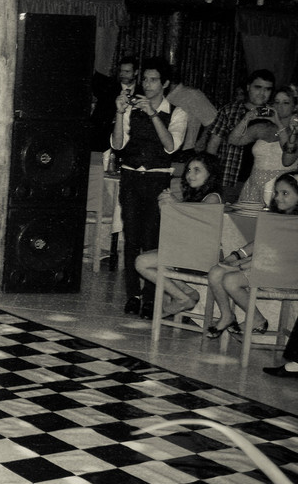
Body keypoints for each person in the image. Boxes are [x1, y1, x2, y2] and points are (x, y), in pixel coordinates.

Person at [112, 56, 188, 316]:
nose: (147, 84)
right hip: (131, 176)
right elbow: (118, 145)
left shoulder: (177, 113)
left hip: (158, 179)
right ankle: (132, 294)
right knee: (131, 238)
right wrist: (119, 112)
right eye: (145, 79)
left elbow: (171, 146)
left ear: (165, 83)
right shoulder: (131, 107)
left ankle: (150, 297)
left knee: (152, 240)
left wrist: (153, 114)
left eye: (153, 80)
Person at [205, 172, 298, 341]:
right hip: (265, 267)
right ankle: (227, 315)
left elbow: (277, 257)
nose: (278, 198)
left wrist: (240, 266)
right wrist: (236, 256)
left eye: (285, 193)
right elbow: (261, 243)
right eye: (276, 193)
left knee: (231, 280)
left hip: (286, 275)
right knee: (216, 272)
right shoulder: (277, 217)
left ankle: (257, 318)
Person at [131, 152, 223, 319]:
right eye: (188, 170)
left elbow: (197, 223)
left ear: (211, 174)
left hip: (201, 256)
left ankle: (183, 298)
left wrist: (175, 205)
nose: (190, 175)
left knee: (142, 262)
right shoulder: (194, 195)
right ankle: (188, 292)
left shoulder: (212, 198)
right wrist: (166, 208)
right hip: (187, 252)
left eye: (197, 170)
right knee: (146, 258)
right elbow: (180, 228)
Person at [205, 69, 275, 201]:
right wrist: (210, 177)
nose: (262, 93)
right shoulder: (230, 110)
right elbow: (213, 145)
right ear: (248, 87)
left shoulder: (274, 114)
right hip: (229, 179)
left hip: (260, 182)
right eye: (258, 87)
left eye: (267, 89)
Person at [229, 85, 298, 203]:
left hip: (282, 188)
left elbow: (288, 160)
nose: (279, 106)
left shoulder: (295, 131)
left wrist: (279, 124)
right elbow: (233, 140)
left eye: (285, 103)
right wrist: (247, 118)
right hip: (255, 185)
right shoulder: (263, 128)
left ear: (295, 106)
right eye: (276, 102)